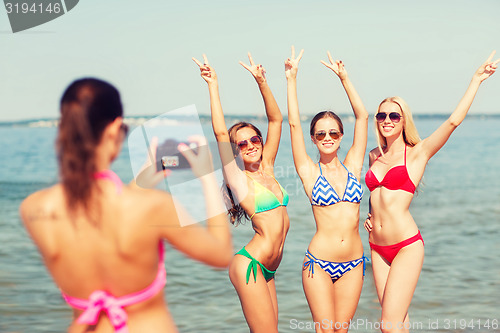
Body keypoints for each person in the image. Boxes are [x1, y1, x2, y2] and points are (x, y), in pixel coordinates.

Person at [19, 78, 233, 333]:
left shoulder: (34, 209)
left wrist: (142, 181)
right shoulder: (153, 207)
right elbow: (221, 254)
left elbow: (100, 222)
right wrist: (207, 176)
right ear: (114, 129)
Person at [364, 51, 499, 333]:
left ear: (403, 120)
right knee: (398, 323)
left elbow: (452, 122)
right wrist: (369, 215)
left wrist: (476, 80)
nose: (387, 119)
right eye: (381, 115)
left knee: (387, 326)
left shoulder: (418, 153)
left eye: (393, 115)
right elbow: (376, 196)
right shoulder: (374, 155)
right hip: (376, 247)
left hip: (405, 246)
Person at [193, 53, 289, 333]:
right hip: (251, 265)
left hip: (269, 269)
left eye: (254, 139)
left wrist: (262, 81)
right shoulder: (237, 177)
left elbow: (276, 120)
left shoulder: (267, 167)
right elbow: (221, 133)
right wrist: (213, 85)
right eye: (242, 143)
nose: (250, 145)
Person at [285, 46, 369, 332]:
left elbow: (363, 117)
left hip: (355, 262)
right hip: (319, 263)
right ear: (313, 139)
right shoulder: (309, 171)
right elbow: (294, 124)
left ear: (341, 136)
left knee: (341, 330)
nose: (327, 137)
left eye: (333, 132)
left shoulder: (353, 166)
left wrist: (344, 78)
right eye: (320, 133)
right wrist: (291, 79)